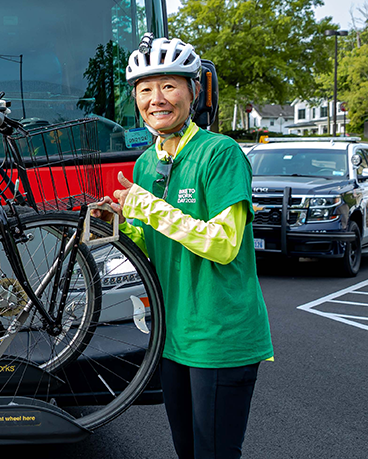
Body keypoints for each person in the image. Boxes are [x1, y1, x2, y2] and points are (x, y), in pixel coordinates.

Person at [95, 34, 273, 459]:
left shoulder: (221, 153)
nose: (157, 98)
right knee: (187, 451)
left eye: (169, 85)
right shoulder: (144, 163)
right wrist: (118, 226)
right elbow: (148, 241)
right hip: (171, 336)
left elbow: (224, 244)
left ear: (195, 91)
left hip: (219, 336)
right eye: (145, 89)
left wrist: (150, 208)